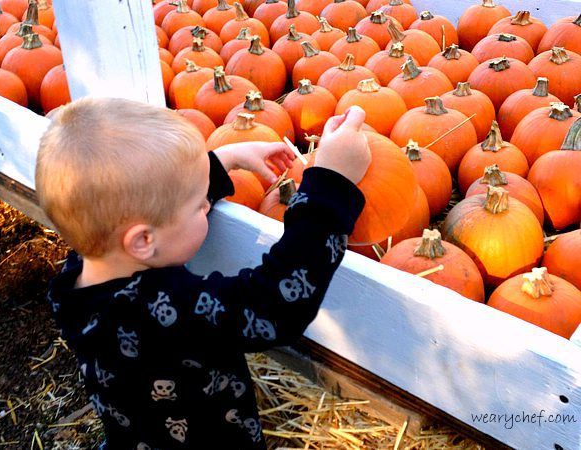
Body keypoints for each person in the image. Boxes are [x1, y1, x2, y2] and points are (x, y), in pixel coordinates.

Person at [35, 97, 370, 450]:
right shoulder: (167, 309)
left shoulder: (78, 277)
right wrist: (332, 186)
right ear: (143, 240)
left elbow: (154, 202)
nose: (208, 204)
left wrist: (225, 161)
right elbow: (275, 303)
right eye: (199, 204)